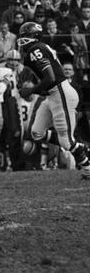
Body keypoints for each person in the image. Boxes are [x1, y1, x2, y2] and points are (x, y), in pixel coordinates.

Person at [17, 22, 90, 178]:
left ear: (32, 36)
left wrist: (31, 90)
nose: (21, 39)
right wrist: (39, 89)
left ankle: (88, 168)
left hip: (60, 93)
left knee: (66, 142)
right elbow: (49, 78)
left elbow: (50, 77)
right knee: (37, 133)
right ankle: (81, 147)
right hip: (53, 94)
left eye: (24, 35)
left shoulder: (36, 49)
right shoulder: (38, 48)